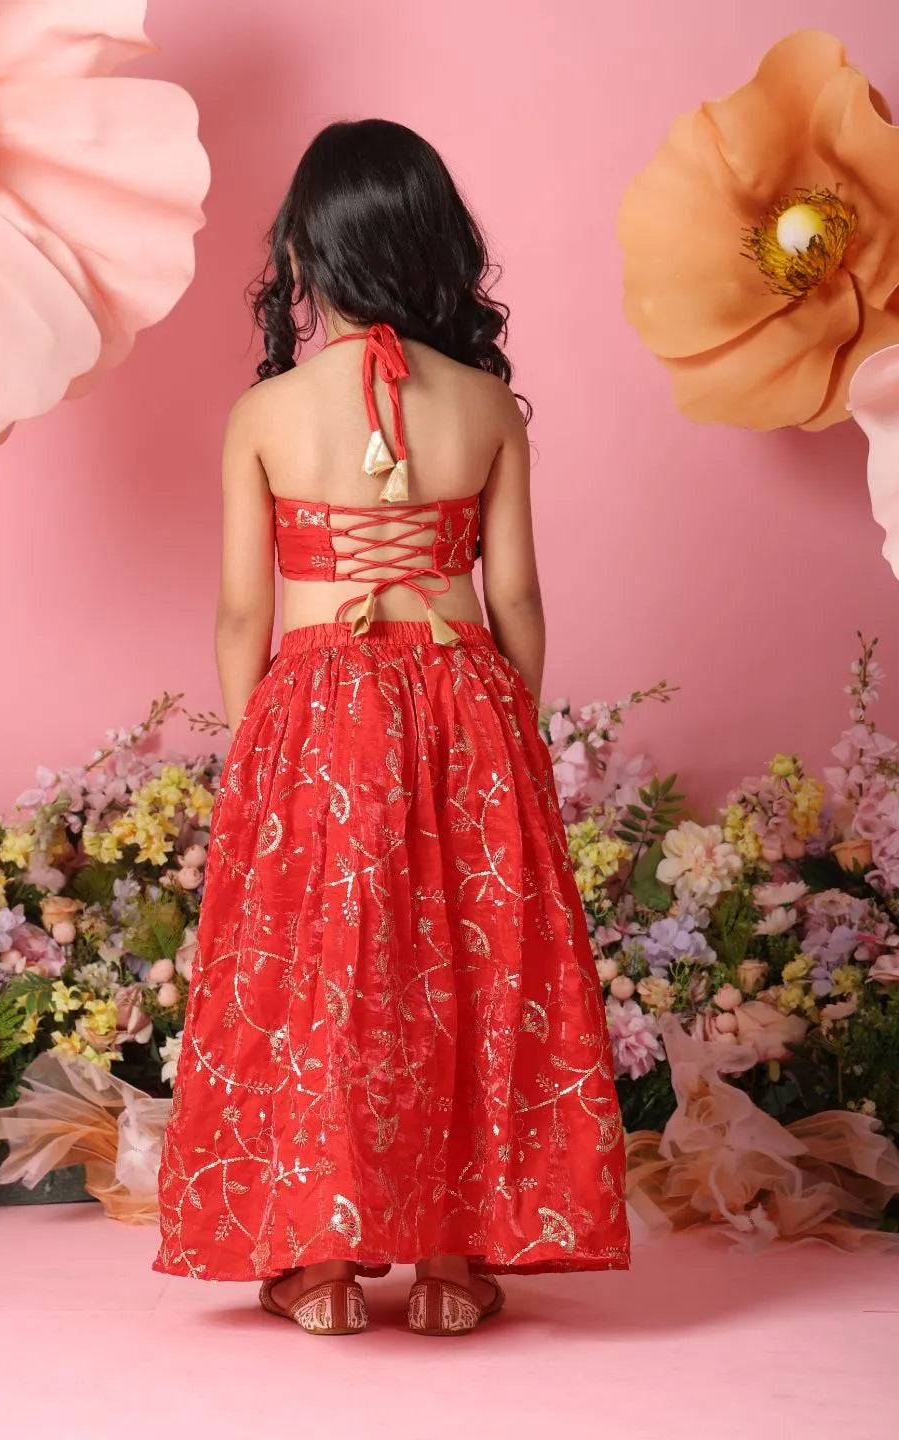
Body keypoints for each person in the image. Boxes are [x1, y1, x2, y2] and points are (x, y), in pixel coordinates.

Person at [154, 118, 629, 1337]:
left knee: (330, 979)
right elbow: (515, 600)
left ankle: (317, 1261)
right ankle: (459, 1260)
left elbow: (237, 614)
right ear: (433, 251)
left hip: (314, 709)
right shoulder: (486, 408)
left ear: (307, 255)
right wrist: (509, 738)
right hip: (461, 692)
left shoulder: (264, 417)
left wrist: (252, 746)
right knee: (470, 971)